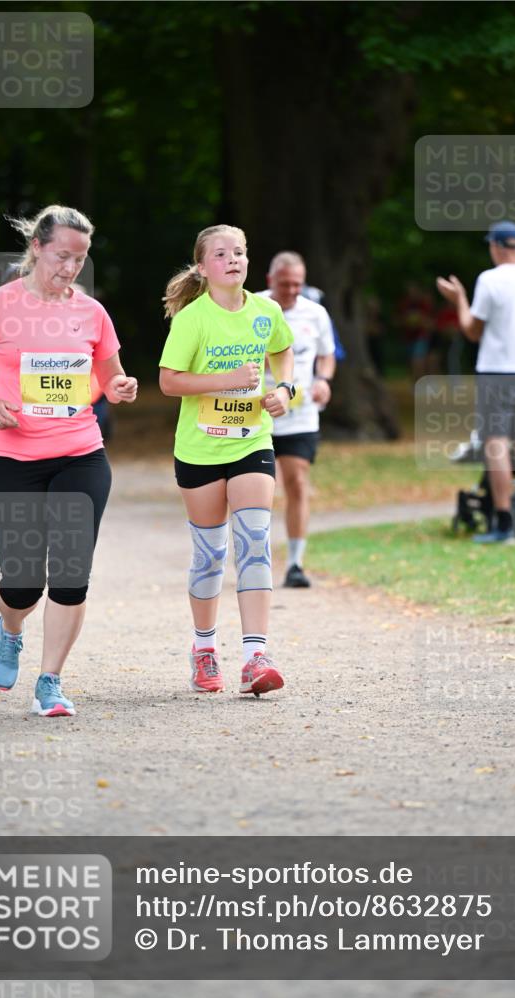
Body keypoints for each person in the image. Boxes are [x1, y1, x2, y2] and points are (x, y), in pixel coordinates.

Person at [0, 204, 137, 716]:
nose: (70, 268)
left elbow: (109, 377)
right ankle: (11, 629)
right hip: (12, 457)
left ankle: (50, 681)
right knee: (24, 580)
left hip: (81, 453)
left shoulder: (91, 313)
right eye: (61, 256)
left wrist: (119, 387)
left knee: (72, 573)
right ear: (36, 247)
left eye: (80, 259)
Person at [159, 224, 294, 696]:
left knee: (255, 541)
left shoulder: (266, 310)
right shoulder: (193, 319)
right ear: (202, 266)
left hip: (251, 440)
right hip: (199, 448)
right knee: (211, 554)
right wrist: (225, 379)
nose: (233, 259)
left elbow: (283, 349)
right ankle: (203, 649)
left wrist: (283, 389)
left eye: (239, 251)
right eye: (221, 253)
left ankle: (256, 655)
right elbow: (169, 381)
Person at [437, 220, 515, 544]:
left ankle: (504, 526)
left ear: (497, 246)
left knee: (496, 445)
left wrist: (459, 299)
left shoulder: (489, 280)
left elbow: (472, 331)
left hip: (497, 372)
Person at [259, 251, 335, 588]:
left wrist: (323, 380)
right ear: (270, 281)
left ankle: (295, 563)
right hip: (255, 413)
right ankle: (253, 561)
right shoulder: (253, 308)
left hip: (301, 415)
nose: (292, 291)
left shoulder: (315, 313)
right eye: (285, 284)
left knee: (297, 483)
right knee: (256, 492)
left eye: (298, 285)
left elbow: (327, 355)